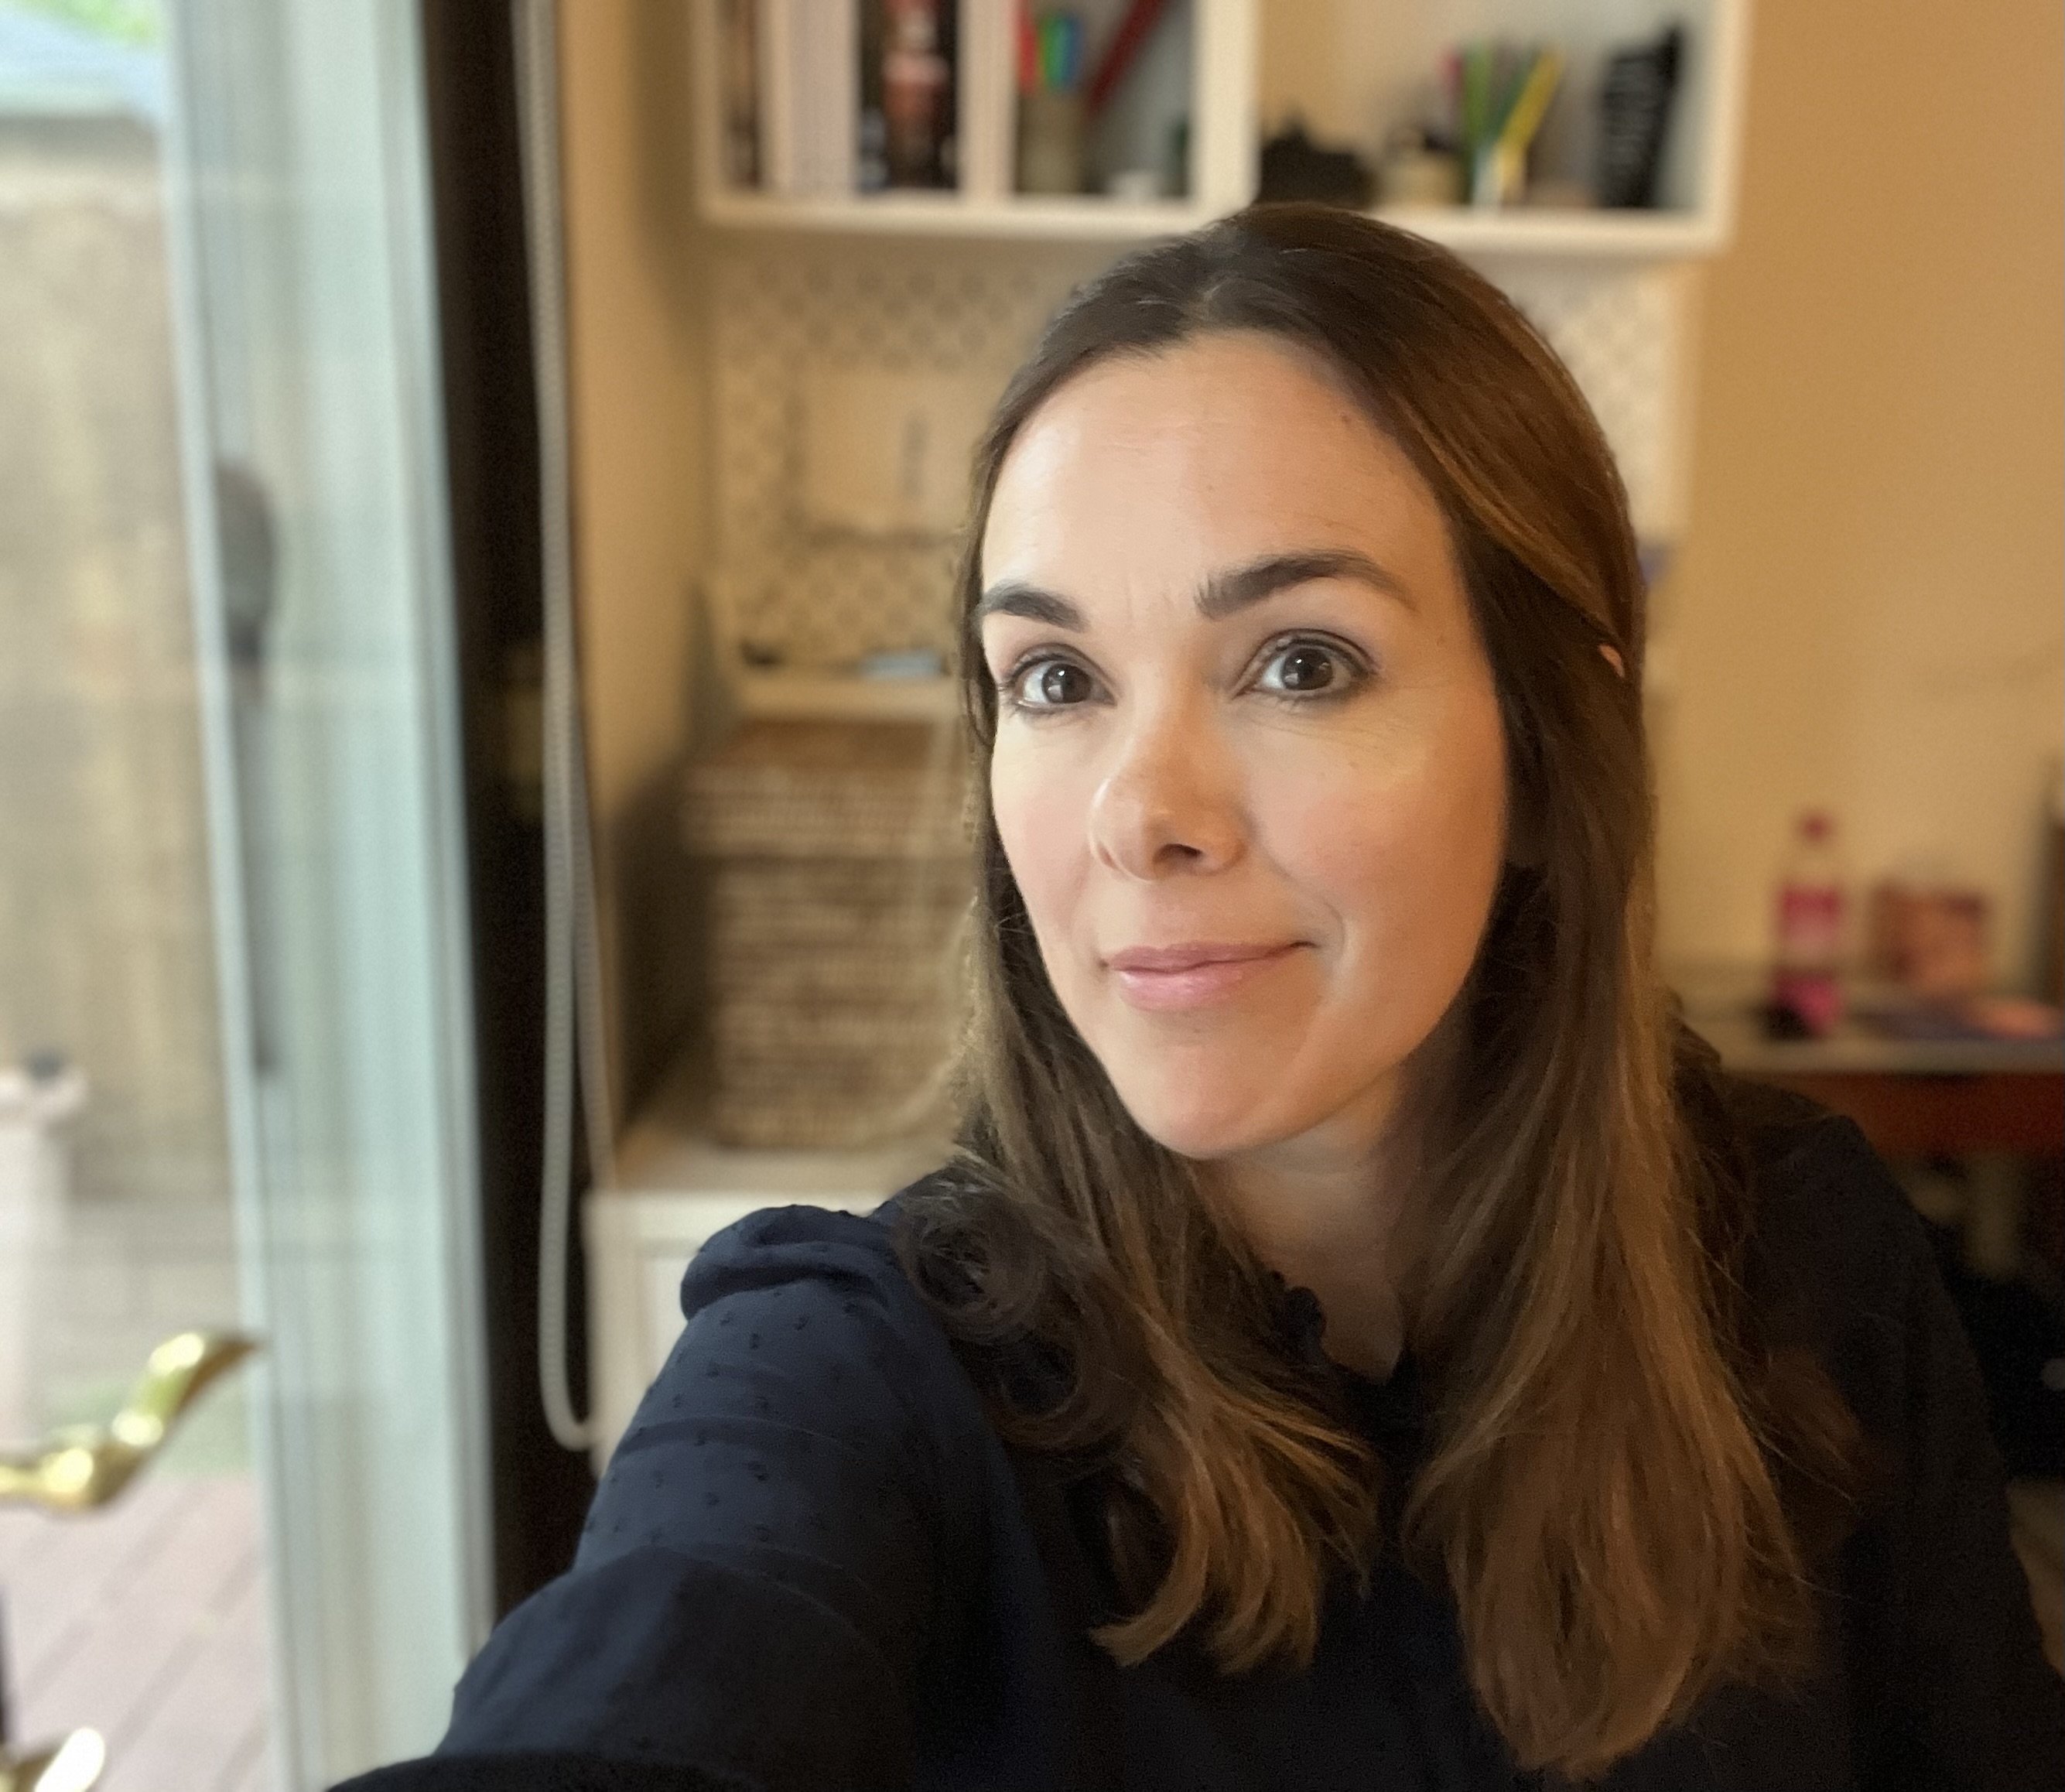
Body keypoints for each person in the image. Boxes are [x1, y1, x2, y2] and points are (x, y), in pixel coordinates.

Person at [343, 206, 2064, 1791]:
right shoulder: (859, 1376)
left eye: (1299, 663)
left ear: (1551, 753)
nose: (1137, 813)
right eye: (1055, 678)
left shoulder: (1806, 1255)